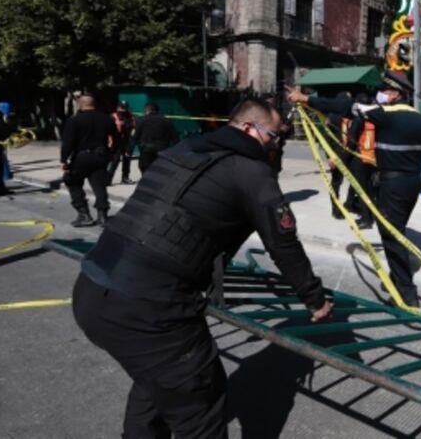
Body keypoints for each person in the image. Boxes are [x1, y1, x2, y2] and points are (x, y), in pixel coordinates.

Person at [71, 98, 333, 439]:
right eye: (274, 136)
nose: (277, 143)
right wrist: (314, 299)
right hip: (149, 307)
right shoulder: (250, 172)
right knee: (200, 406)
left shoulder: (185, 151)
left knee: (155, 382)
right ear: (249, 128)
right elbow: (284, 244)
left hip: (92, 288)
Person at [287, 70, 421, 308]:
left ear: (395, 94)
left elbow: (345, 107)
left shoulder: (384, 114)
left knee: (392, 237)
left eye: (383, 91)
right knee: (397, 231)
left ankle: (408, 295)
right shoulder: (419, 117)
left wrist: (306, 98)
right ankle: (398, 280)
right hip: (412, 184)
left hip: (392, 185)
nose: (379, 95)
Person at [60, 95, 118, 226]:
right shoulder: (106, 118)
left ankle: (83, 213)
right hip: (101, 156)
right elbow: (116, 138)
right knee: (99, 186)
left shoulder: (74, 120)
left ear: (80, 104)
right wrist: (112, 153)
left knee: (72, 181)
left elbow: (68, 142)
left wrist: (64, 160)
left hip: (81, 157)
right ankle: (102, 215)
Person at [344, 92, 378, 229]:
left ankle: (366, 219)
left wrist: (344, 160)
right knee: (370, 190)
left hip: (360, 159)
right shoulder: (377, 118)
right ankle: (370, 216)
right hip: (373, 159)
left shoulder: (358, 120)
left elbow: (351, 142)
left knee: (362, 191)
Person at [325, 92, 353, 219]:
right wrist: (330, 156)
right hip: (337, 155)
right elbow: (327, 140)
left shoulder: (348, 115)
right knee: (336, 183)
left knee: (355, 181)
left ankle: (349, 203)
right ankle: (335, 209)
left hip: (348, 153)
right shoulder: (332, 117)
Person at [130, 102, 178, 174]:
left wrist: (129, 151)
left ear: (147, 110)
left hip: (147, 150)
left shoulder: (142, 121)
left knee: (145, 170)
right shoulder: (167, 121)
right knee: (161, 172)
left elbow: (135, 137)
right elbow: (175, 138)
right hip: (163, 150)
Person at [106, 100, 137, 185]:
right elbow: (107, 129)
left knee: (127, 160)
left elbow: (134, 129)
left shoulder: (131, 117)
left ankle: (125, 178)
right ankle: (108, 179)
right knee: (114, 161)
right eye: (121, 108)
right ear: (117, 108)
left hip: (127, 142)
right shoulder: (113, 116)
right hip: (116, 142)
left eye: (124, 108)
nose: (123, 110)